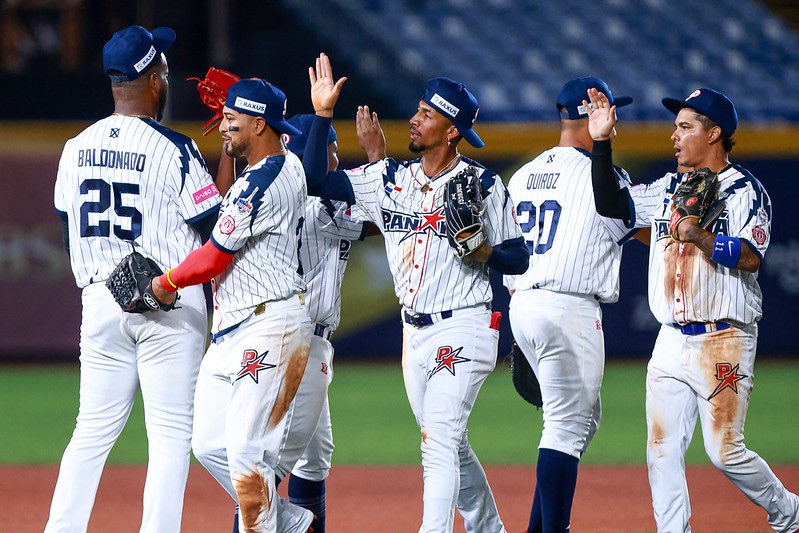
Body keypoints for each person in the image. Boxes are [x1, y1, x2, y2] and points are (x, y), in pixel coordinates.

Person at [302, 53, 528, 533]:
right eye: (419, 108)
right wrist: (323, 115)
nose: (415, 117)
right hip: (414, 333)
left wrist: (484, 252)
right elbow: (319, 181)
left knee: (439, 439)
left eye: (428, 114)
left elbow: (518, 258)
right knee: (449, 441)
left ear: (451, 132)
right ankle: (489, 527)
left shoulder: (483, 184)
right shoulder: (391, 179)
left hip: (465, 322)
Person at [586, 86, 799, 532]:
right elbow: (612, 205)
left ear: (714, 133)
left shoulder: (744, 190)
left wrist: (699, 236)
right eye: (675, 127)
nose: (674, 136)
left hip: (724, 338)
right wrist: (601, 143)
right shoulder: (669, 187)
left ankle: (788, 511)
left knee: (725, 452)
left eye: (685, 127)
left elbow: (750, 256)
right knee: (661, 449)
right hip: (670, 338)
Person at [47, 25, 223, 532]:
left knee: (91, 431)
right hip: (169, 300)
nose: (167, 78)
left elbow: (67, 233)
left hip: (101, 301)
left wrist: (105, 282)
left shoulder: (75, 147)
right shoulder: (176, 149)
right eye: (164, 71)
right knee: (169, 435)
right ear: (153, 78)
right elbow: (216, 233)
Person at [150, 78, 314, 533]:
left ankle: (270, 525)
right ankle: (288, 521)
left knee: (245, 451)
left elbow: (213, 256)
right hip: (233, 328)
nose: (221, 126)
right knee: (208, 445)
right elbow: (227, 207)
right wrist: (235, 118)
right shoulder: (284, 164)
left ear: (259, 124)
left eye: (231, 120)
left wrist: (166, 281)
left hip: (268, 323)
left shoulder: (262, 183)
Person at [228, 112, 384, 533]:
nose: (336, 157)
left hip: (275, 337)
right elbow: (384, 219)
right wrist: (376, 158)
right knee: (265, 467)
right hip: (299, 344)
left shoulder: (272, 195)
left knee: (314, 456)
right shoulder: (319, 205)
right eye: (331, 149)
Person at [503, 77, 639, 533]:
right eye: (608, 109)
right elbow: (621, 218)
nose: (614, 119)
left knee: (583, 421)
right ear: (589, 112)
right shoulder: (604, 176)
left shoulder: (522, 174)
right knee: (564, 427)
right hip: (568, 308)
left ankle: (539, 526)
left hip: (524, 303)